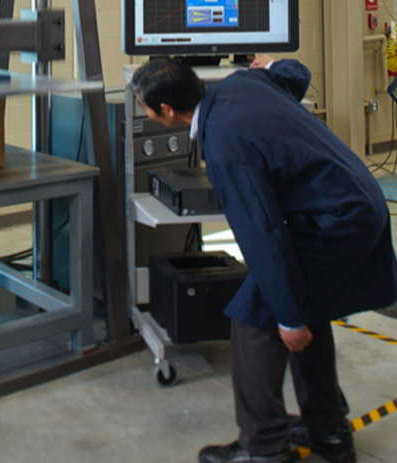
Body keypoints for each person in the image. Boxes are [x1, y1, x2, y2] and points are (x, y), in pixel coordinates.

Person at [130, 56, 397, 463]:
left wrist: (286, 316)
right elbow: (297, 75)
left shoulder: (224, 144)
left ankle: (264, 448)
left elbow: (263, 233)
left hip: (337, 224)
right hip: (357, 202)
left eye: (144, 106)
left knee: (256, 318)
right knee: (309, 304)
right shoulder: (243, 83)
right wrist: (273, 62)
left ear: (166, 111)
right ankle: (329, 433)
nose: (144, 111)